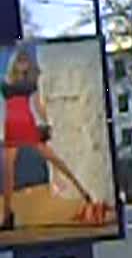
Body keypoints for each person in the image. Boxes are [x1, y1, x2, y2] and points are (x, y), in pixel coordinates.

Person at [1, 48, 101, 230]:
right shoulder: (6, 83)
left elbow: (38, 104)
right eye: (20, 61)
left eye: (26, 62)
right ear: (15, 63)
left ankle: (84, 194)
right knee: (8, 174)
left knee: (56, 161)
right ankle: (7, 216)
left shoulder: (31, 82)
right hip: (12, 128)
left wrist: (46, 123)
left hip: (27, 125)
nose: (23, 65)